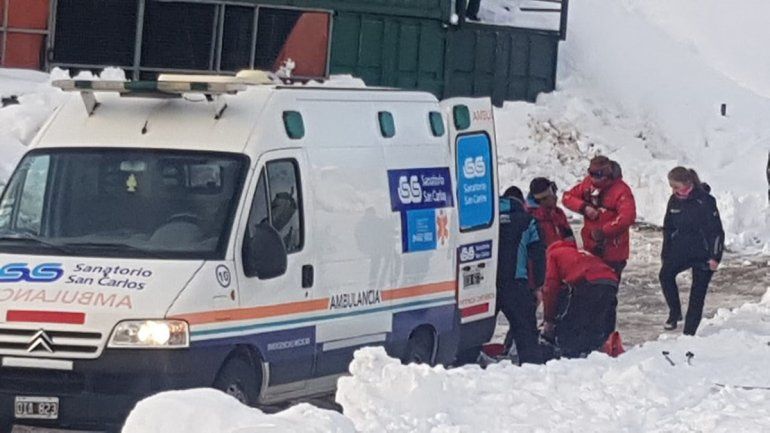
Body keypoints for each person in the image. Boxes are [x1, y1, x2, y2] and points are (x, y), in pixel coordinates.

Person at [660, 167, 724, 334]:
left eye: (676, 187)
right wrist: (666, 252)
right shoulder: (673, 201)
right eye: (671, 187)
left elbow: (716, 231)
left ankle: (689, 332)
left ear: (687, 183)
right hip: (681, 250)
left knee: (697, 294)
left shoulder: (705, 201)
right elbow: (668, 228)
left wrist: (715, 257)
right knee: (665, 275)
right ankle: (675, 312)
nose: (673, 191)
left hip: (704, 253)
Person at [541, 239, 619, 358]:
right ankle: (600, 349)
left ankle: (570, 356)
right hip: (611, 281)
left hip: (588, 282)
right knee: (598, 321)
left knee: (572, 326)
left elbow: (550, 288)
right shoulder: (581, 252)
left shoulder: (553, 254)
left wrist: (549, 319)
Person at [562, 156, 636, 278]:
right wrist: (583, 207)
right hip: (590, 247)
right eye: (591, 173)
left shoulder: (621, 191)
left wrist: (604, 231)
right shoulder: (587, 184)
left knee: (607, 288)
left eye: (598, 174)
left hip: (613, 251)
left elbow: (628, 217)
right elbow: (567, 198)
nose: (594, 179)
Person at [496, 186, 546, 364]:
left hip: (485, 284)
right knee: (526, 332)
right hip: (515, 283)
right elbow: (539, 254)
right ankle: (531, 371)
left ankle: (467, 367)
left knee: (475, 332)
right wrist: (538, 286)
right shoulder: (528, 221)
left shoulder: (487, 218)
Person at [527, 177, 573, 247]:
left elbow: (570, 239)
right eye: (552, 195)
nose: (556, 197)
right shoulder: (529, 218)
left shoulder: (558, 213)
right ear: (542, 199)